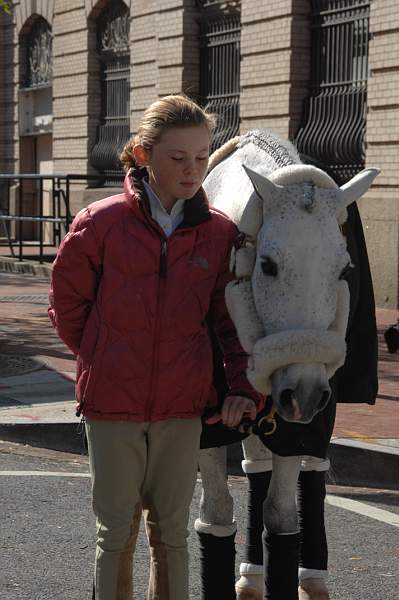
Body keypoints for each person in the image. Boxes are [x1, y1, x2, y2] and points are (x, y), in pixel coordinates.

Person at [48, 94, 262, 600]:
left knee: (171, 535)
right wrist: (106, 356)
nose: (193, 170)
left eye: (202, 157)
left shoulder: (218, 234)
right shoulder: (99, 224)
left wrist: (243, 390)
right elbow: (67, 307)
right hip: (111, 407)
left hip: (181, 408)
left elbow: (231, 323)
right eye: (178, 158)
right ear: (144, 156)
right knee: (114, 533)